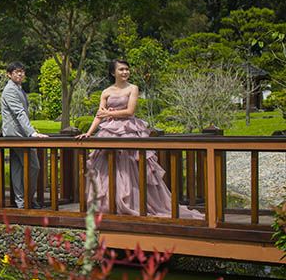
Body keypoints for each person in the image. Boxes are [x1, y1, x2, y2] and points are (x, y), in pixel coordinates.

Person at [76, 59, 204, 218]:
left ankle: (133, 203)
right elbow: (99, 115)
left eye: (127, 69)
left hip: (128, 130)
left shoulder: (133, 88)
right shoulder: (106, 92)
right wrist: (88, 133)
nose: (125, 72)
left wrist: (109, 114)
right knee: (108, 169)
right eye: (121, 69)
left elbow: (130, 111)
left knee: (132, 169)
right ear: (112, 72)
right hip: (109, 132)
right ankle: (110, 205)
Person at [0, 62, 47, 208]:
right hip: (15, 134)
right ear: (9, 74)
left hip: (18, 134)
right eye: (16, 72)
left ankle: (23, 201)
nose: (20, 74)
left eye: (22, 71)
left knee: (17, 168)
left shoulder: (18, 89)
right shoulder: (10, 90)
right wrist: (32, 133)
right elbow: (19, 113)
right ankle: (26, 199)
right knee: (34, 166)